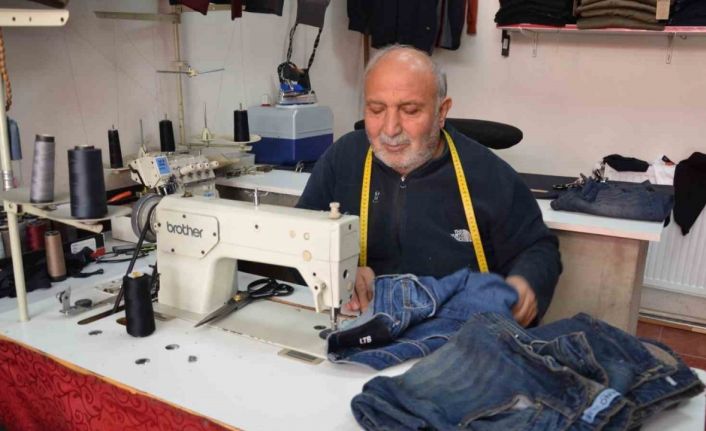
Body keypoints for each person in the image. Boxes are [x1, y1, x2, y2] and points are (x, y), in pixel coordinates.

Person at [297, 45, 561, 326]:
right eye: (376, 110)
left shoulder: (485, 172)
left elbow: (537, 247)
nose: (390, 129)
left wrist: (527, 282)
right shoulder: (344, 158)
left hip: (457, 333)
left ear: (441, 112)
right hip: (362, 323)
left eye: (410, 111)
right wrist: (337, 270)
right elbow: (300, 234)